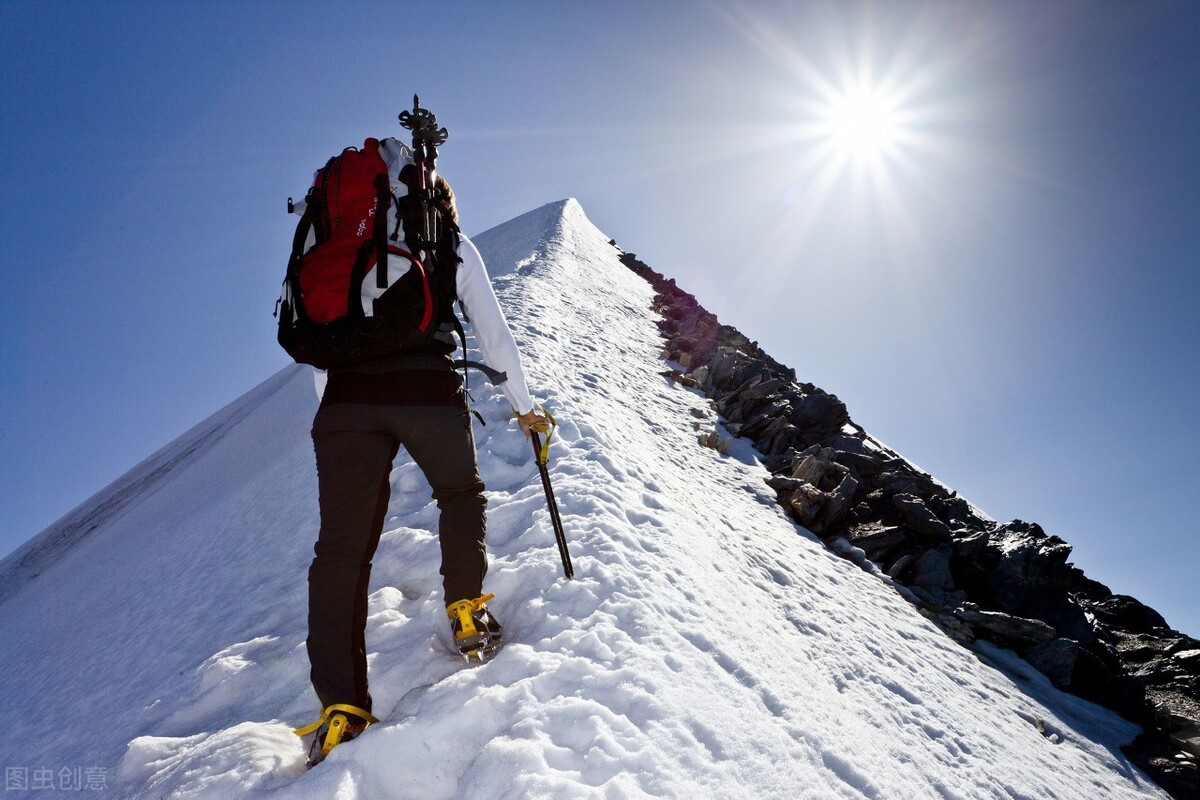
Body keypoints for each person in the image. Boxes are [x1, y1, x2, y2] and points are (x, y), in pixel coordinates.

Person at [296, 136, 547, 765]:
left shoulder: (336, 241)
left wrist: (343, 408)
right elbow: (492, 327)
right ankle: (465, 609)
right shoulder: (442, 234)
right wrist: (524, 406)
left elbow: (321, 343)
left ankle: (341, 707)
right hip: (427, 391)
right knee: (460, 493)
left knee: (340, 553)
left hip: (345, 404)